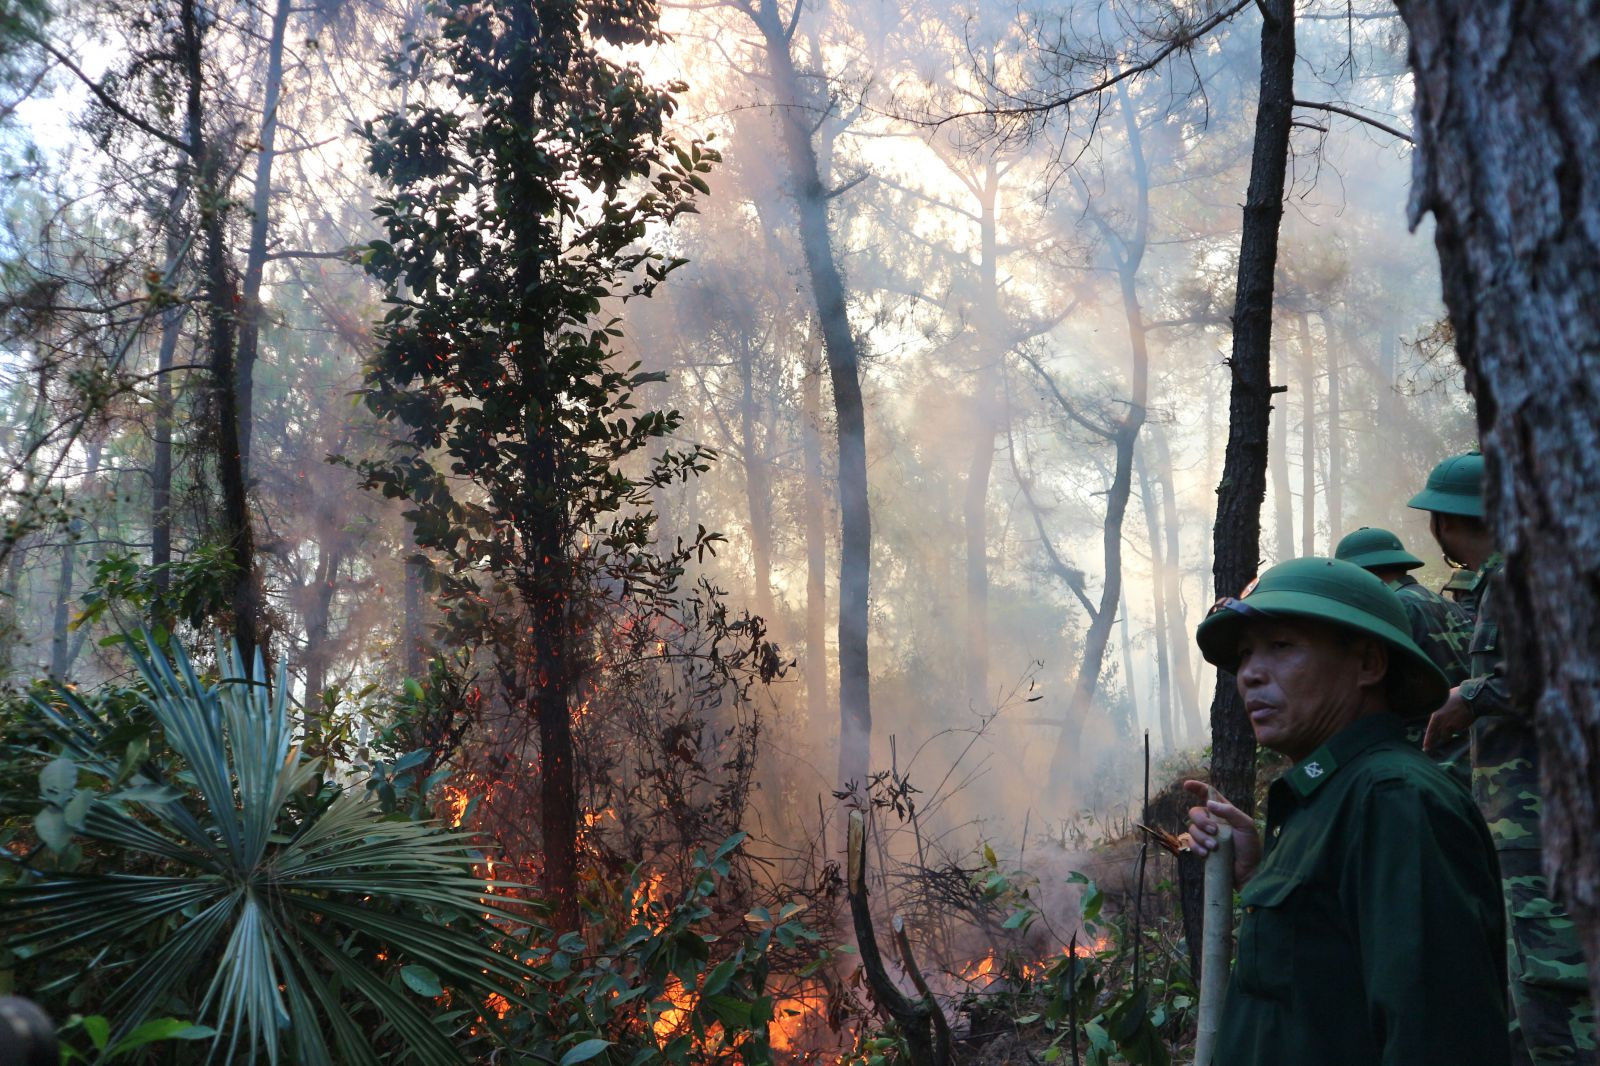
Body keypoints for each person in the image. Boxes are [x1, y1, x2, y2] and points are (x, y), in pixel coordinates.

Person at [1183, 557, 1510, 1066]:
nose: (1249, 673)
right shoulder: (1330, 794)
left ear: (1368, 664)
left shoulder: (1395, 801)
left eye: (1281, 646)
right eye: (1245, 655)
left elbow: (1437, 1037)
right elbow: (1320, 986)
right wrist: (1258, 874)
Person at [1410, 452, 1598, 1066]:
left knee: (1557, 993)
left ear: (1443, 523)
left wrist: (1475, 692)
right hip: (1523, 823)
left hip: (1548, 827)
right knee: (1526, 991)